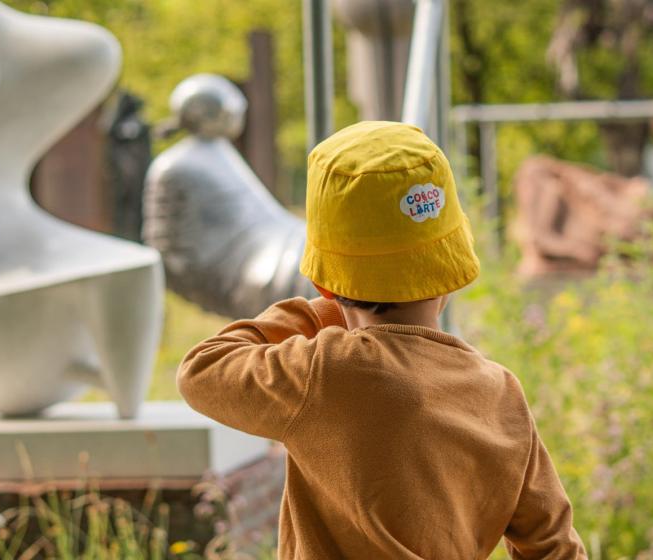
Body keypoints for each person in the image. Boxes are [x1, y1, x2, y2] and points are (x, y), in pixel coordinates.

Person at [177, 121, 587, 559]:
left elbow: (201, 370)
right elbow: (554, 548)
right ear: (448, 270)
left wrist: (320, 308)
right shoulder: (500, 392)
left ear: (326, 281)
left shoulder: (327, 372)